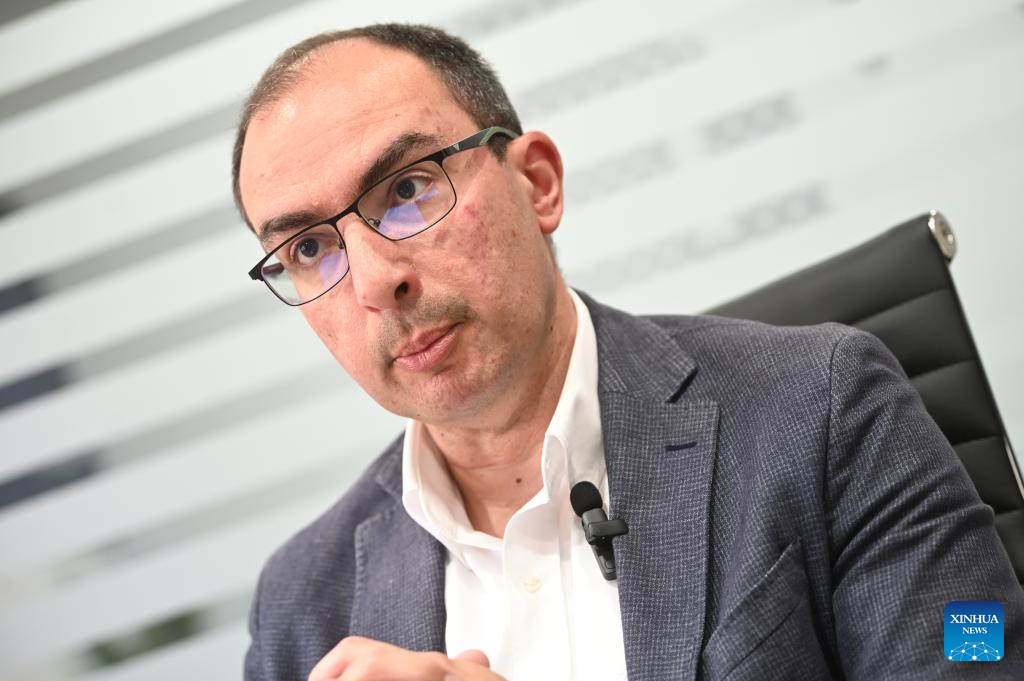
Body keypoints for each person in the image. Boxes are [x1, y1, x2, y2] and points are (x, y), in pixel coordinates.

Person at [232, 24, 1023, 681]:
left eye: (408, 190)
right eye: (309, 249)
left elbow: (976, 653)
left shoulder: (829, 406)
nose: (376, 281)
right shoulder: (302, 607)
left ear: (537, 183)